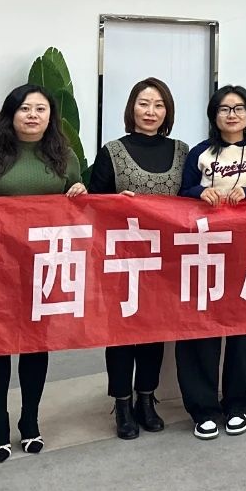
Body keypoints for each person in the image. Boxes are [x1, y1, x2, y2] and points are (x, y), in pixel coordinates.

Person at [0, 85, 85, 462]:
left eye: (41, 109)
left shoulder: (64, 157)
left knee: (36, 345)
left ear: (51, 117)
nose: (33, 115)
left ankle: (30, 419)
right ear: (11, 113)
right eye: (25, 108)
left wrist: (79, 192)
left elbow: (79, 207)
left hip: (44, 265)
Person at [178, 85, 246, 440]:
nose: (232, 114)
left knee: (245, 332)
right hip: (204, 253)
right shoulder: (199, 153)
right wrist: (199, 192)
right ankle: (203, 409)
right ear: (214, 115)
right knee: (200, 330)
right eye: (224, 109)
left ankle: (238, 404)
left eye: (239, 108)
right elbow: (180, 196)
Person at [87, 77, 188, 440]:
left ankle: (147, 398)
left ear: (167, 111)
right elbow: (92, 205)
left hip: (165, 259)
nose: (150, 111)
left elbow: (191, 199)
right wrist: (115, 203)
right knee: (120, 334)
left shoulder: (182, 151)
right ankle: (122, 403)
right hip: (122, 259)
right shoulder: (112, 152)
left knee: (153, 333)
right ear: (132, 108)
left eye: (158, 105)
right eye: (144, 104)